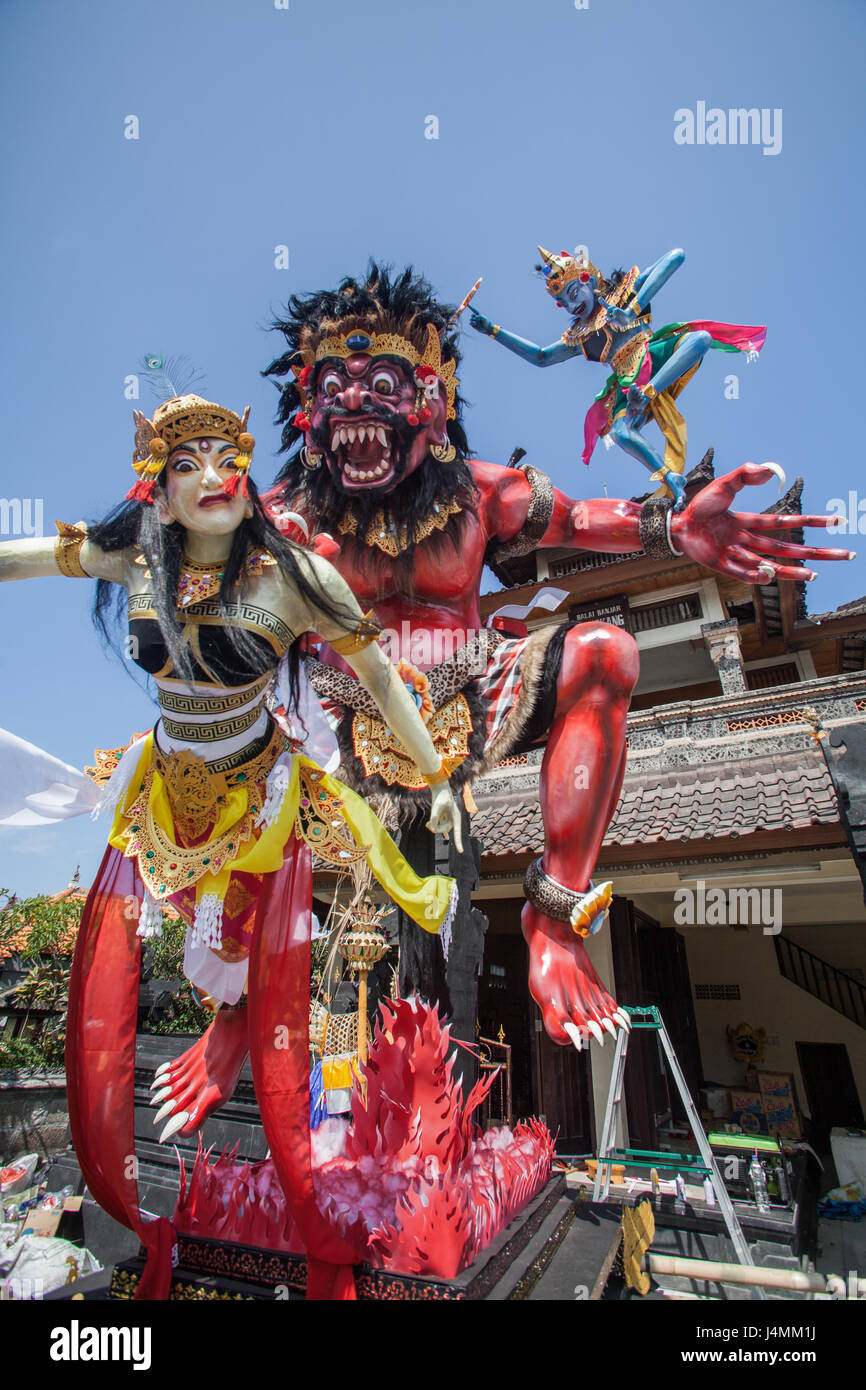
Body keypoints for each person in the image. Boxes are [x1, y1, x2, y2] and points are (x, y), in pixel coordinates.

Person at [0, 391, 463, 1299]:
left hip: (257, 793)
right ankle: (185, 1088)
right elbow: (27, 557)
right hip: (164, 791)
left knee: (254, 940)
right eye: (186, 466)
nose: (212, 477)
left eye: (226, 460)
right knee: (174, 933)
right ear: (160, 492)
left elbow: (381, 681)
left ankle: (247, 1052)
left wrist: (437, 779)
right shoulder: (132, 554)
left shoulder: (297, 578)